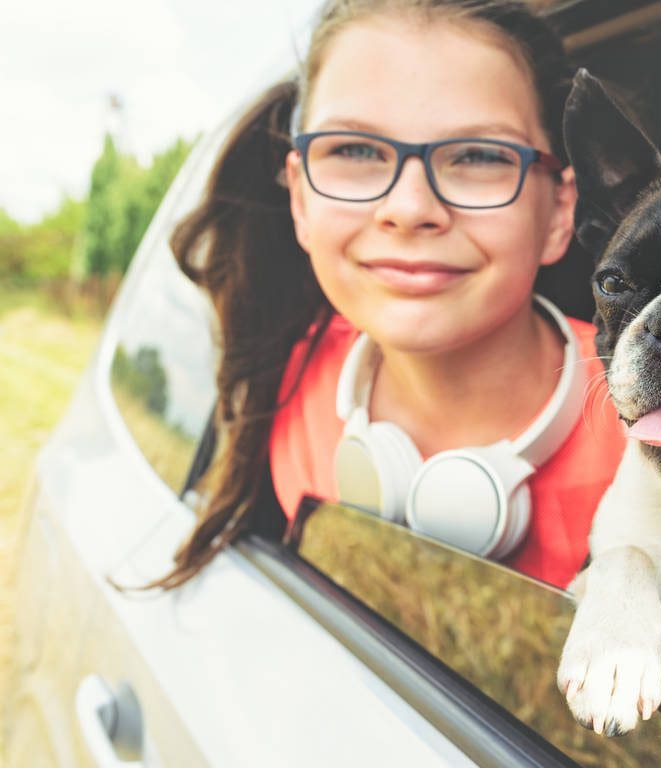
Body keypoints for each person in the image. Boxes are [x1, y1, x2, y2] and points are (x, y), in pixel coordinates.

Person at [154, 0, 625, 591]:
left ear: (558, 211)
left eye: (479, 156)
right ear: (301, 199)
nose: (409, 210)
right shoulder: (285, 376)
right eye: (354, 150)